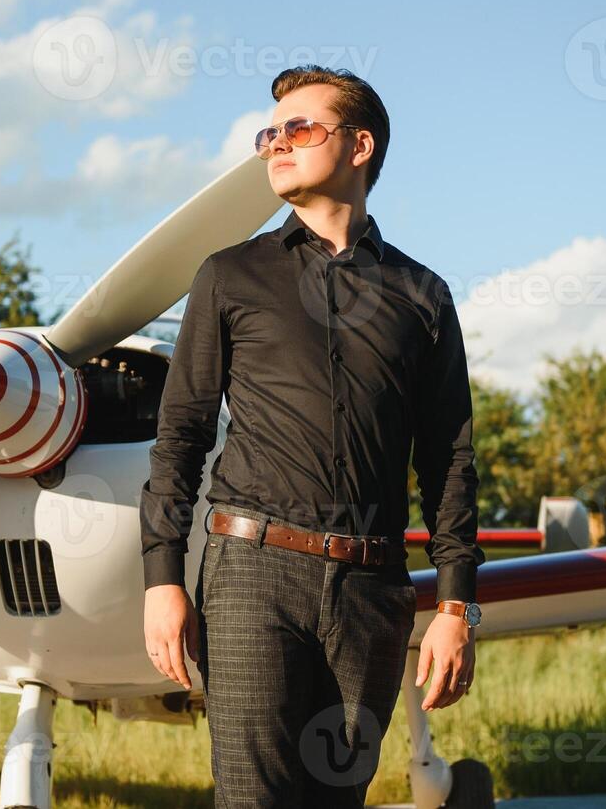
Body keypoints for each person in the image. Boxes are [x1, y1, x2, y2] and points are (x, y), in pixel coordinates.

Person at [139, 65, 485, 807]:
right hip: (251, 574)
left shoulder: (423, 296)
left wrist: (456, 607)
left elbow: (450, 460)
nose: (275, 144)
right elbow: (182, 434)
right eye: (270, 133)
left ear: (359, 146)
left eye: (300, 128)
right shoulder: (230, 276)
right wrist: (162, 577)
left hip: (372, 588)